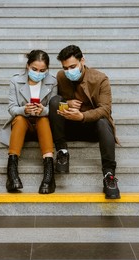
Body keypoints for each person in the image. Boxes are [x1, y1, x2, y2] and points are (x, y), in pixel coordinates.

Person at [49, 45, 120, 199]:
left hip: (91, 127)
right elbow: (56, 102)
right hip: (68, 126)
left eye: (72, 67)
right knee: (54, 101)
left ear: (82, 60)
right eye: (65, 68)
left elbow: (105, 110)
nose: (68, 71)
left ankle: (109, 175)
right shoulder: (61, 76)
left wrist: (82, 116)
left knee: (103, 122)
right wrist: (67, 103)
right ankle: (62, 152)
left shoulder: (100, 79)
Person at [1, 50, 58, 194]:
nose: (38, 73)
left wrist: (43, 110)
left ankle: (49, 176)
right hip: (23, 124)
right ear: (27, 66)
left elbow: (55, 109)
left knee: (44, 120)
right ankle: (12, 174)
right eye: (34, 69)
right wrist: (24, 110)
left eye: (42, 70)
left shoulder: (52, 81)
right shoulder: (15, 81)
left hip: (42, 124)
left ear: (47, 70)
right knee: (19, 119)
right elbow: (12, 108)